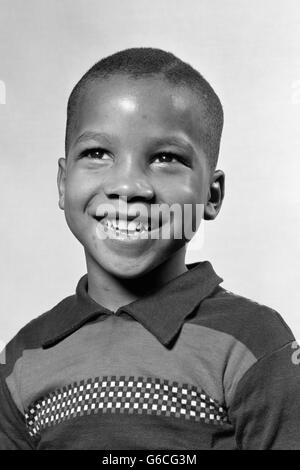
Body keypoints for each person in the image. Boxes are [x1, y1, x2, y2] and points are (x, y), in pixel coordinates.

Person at [0, 47, 299, 450]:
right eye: (97, 153)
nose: (128, 187)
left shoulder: (255, 342)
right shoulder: (22, 357)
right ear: (62, 182)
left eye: (165, 158)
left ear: (212, 196)